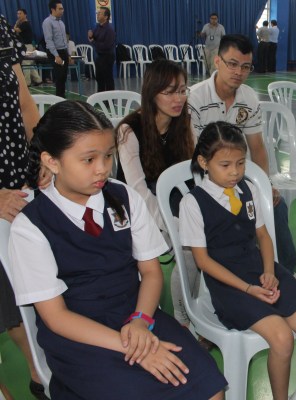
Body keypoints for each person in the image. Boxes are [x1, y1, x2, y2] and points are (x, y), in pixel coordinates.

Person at [8, 100, 227, 399]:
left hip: (136, 314)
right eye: (89, 159)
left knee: (209, 386)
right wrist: (131, 346)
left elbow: (151, 273)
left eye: (108, 155)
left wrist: (140, 322)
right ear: (52, 161)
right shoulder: (30, 226)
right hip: (79, 336)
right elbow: (56, 318)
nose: (102, 169)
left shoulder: (124, 197)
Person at [179, 121, 296, 400]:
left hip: (259, 268)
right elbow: (203, 262)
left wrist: (269, 272)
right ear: (204, 163)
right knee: (281, 338)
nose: (235, 172)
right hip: (227, 284)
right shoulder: (193, 203)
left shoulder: (248, 190)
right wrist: (247, 288)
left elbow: (263, 236)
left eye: (241, 163)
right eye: (225, 165)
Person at [187, 34, 296, 290]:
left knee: (276, 206)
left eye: (245, 67)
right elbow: (191, 153)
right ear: (217, 61)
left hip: (237, 174)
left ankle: (286, 271)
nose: (239, 72)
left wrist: (265, 185)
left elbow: (257, 147)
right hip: (205, 178)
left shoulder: (248, 98)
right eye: (232, 64)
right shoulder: (196, 98)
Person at [116, 59, 195, 326]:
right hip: (137, 206)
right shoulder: (129, 130)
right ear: (151, 93)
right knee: (189, 245)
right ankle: (183, 317)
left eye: (182, 91)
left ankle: (199, 306)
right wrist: (172, 225)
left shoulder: (184, 122)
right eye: (170, 92)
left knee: (207, 232)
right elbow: (137, 190)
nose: (178, 99)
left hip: (174, 198)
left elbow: (192, 174)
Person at [0, 14, 50, 400]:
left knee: (35, 275)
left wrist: (42, 157)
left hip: (20, 180)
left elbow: (23, 101)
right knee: (7, 292)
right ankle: (34, 369)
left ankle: (42, 366)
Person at [42, 0, 69, 98]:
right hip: (54, 52)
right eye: (60, 9)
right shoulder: (47, 22)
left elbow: (65, 40)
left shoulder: (61, 23)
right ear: (53, 9)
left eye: (62, 8)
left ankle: (62, 97)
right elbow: (49, 40)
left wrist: (68, 54)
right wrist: (56, 56)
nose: (62, 10)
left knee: (64, 76)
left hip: (63, 51)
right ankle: (59, 99)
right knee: (59, 76)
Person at [87, 6, 116, 92]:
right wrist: (90, 35)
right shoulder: (98, 27)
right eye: (97, 13)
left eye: (100, 13)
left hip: (107, 56)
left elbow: (106, 46)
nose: (98, 15)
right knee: (99, 78)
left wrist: (93, 41)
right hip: (99, 56)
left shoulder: (109, 29)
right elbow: (94, 37)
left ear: (106, 17)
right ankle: (100, 96)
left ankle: (110, 98)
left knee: (107, 79)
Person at [13, 8, 42, 87]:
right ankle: (38, 80)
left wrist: (16, 23)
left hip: (27, 46)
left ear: (25, 15)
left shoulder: (25, 23)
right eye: (17, 14)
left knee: (26, 63)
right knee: (29, 64)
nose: (18, 15)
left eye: (20, 13)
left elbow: (16, 30)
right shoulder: (22, 24)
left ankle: (27, 82)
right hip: (25, 46)